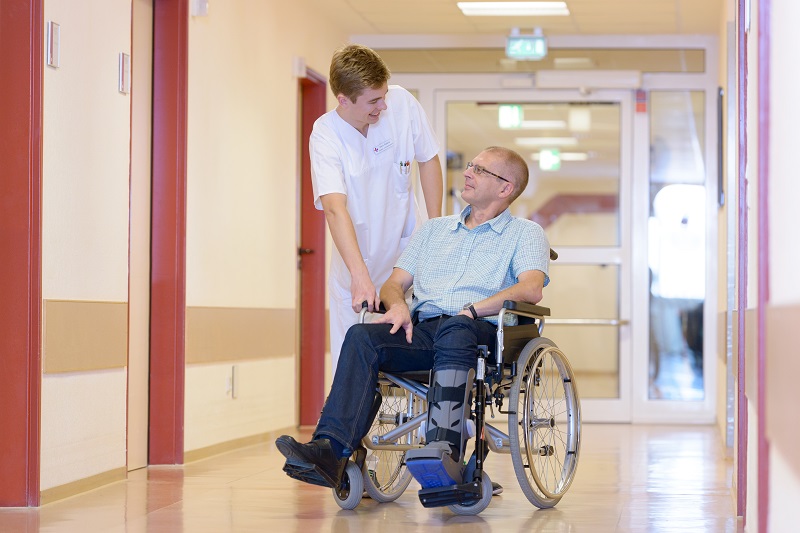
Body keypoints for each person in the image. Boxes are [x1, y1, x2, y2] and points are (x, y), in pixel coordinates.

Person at [277, 146, 550, 494]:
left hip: (479, 332)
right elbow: (394, 284)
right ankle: (330, 451)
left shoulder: (525, 233)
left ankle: (444, 454)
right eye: (470, 166)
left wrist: (472, 309)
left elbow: (531, 288)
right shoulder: (433, 231)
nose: (467, 173)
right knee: (362, 336)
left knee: (458, 326)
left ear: (505, 188)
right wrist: (399, 306)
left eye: (479, 170)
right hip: (424, 331)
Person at [311, 44, 443, 372]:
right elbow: (334, 208)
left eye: (384, 95)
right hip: (358, 261)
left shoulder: (401, 104)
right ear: (343, 99)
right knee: (351, 366)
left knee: (421, 357)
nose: (383, 106)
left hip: (407, 256)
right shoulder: (326, 135)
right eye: (373, 101)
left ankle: (427, 424)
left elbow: (428, 159)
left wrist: (435, 229)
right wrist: (360, 277)